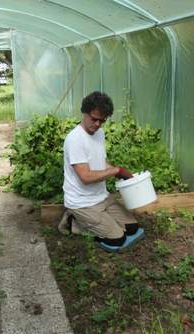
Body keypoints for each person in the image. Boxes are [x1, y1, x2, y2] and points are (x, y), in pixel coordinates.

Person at [60, 91, 144, 252]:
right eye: (94, 119)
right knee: (117, 239)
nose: (98, 124)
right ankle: (73, 222)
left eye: (102, 120)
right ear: (84, 113)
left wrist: (121, 173)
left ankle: (96, 221)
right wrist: (115, 171)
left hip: (101, 197)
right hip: (82, 202)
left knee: (132, 228)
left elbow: (101, 162)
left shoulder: (99, 133)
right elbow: (85, 177)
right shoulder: (75, 139)